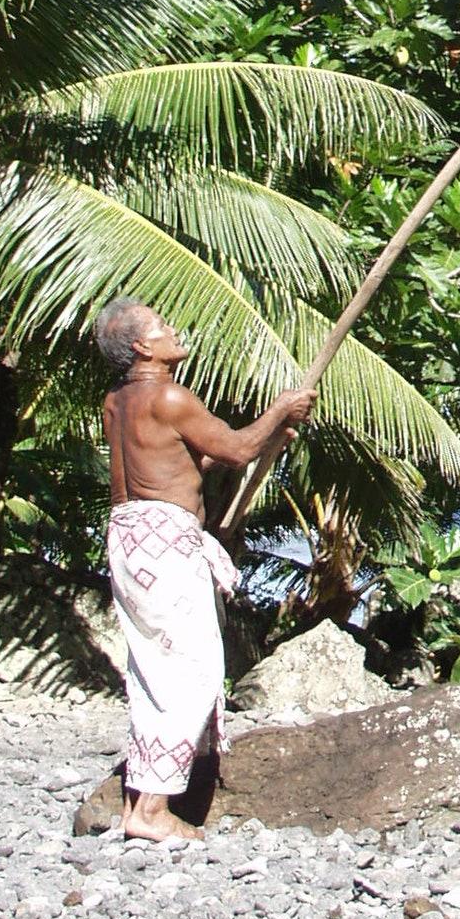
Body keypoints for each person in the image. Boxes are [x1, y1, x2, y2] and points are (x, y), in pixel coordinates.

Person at [96, 298, 316, 842]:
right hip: (165, 543)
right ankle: (151, 810)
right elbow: (236, 451)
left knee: (153, 667)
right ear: (144, 348)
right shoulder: (169, 395)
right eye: (161, 325)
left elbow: (189, 462)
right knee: (191, 668)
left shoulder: (117, 403)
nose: (173, 330)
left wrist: (270, 437)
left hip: (128, 537)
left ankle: (139, 802)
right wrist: (281, 410)